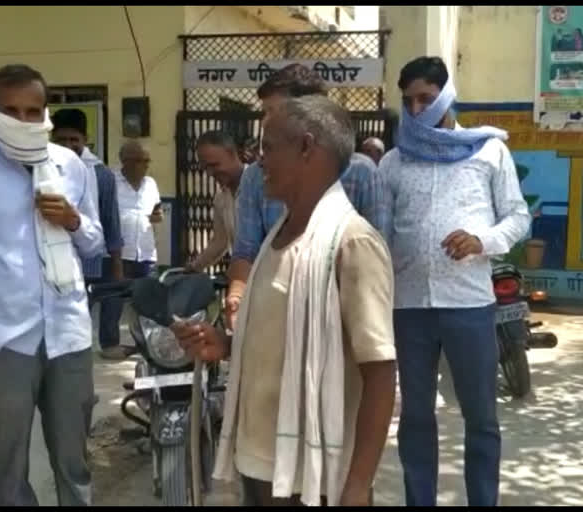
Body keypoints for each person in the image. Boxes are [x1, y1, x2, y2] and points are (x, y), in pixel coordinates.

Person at [172, 95, 396, 506]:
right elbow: (279, 338)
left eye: (269, 148)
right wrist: (223, 344)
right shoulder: (278, 234)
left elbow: (381, 373)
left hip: (313, 478)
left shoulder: (353, 244)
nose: (259, 162)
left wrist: (358, 485)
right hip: (260, 462)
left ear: (307, 148)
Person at [0, 64, 105, 506]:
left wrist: (72, 220)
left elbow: (94, 245)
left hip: (68, 334)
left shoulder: (70, 165)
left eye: (33, 111)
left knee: (74, 459)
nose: (23, 120)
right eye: (11, 110)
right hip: (4, 340)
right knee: (8, 467)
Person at [382, 56, 531, 506]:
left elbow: (518, 216)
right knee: (416, 419)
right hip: (409, 307)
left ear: (446, 96)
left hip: (468, 303)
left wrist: (481, 240)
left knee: (481, 417)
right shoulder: (394, 160)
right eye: (408, 101)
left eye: (425, 98)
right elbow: (380, 233)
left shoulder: (488, 151)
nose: (415, 109)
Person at [225, 63, 391, 329]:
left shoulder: (360, 174)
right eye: (263, 112)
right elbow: (246, 250)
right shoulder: (256, 176)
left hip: (341, 320)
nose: (265, 122)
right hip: (274, 315)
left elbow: (377, 258)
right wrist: (237, 295)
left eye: (272, 111)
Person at [51, 108, 125, 359]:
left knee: (87, 319)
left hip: (95, 258)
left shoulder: (101, 174)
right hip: (55, 261)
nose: (68, 145)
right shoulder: (43, 170)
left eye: (74, 139)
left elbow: (110, 219)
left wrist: (116, 263)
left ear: (85, 140)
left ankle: (105, 348)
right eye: (61, 140)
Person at [105, 139, 162, 359]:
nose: (145, 166)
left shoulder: (151, 184)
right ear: (124, 161)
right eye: (139, 161)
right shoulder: (111, 181)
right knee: (114, 300)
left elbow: (156, 212)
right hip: (119, 251)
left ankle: (149, 344)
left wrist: (158, 217)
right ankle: (110, 344)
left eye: (147, 161)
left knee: (148, 301)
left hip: (145, 251)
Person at [185, 130, 244, 273]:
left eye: (214, 165)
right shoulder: (220, 198)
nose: (210, 173)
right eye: (206, 168)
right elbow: (220, 241)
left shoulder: (261, 188)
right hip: (243, 278)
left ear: (233, 155)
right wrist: (194, 267)